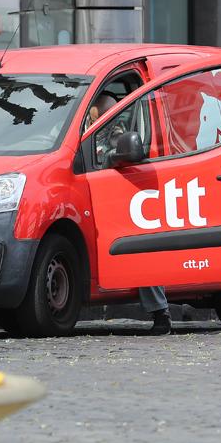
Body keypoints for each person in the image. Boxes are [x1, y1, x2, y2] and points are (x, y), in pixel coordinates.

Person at [88, 91, 172, 335]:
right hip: (99, 197)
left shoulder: (114, 134)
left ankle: (160, 312)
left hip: (124, 200)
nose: (93, 119)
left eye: (96, 114)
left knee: (142, 252)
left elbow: (118, 157)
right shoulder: (87, 131)